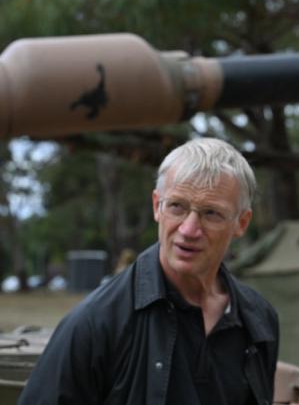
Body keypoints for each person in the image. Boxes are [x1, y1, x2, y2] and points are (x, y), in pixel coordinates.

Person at [19, 138, 279, 405]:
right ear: (157, 206)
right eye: (177, 206)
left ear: (241, 223)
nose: (189, 230)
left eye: (211, 213)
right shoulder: (95, 323)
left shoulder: (259, 321)